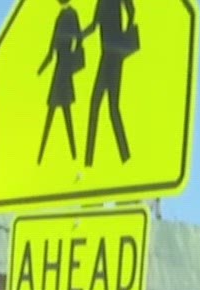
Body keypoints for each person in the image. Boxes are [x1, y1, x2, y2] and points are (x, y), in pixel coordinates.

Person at [82, 0, 136, 166]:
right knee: (97, 105)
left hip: (114, 56)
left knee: (111, 107)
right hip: (106, 56)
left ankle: (125, 157)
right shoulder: (101, 2)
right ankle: (89, 161)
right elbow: (94, 25)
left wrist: (126, 33)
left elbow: (131, 9)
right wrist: (78, 35)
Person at [36, 0, 87, 164]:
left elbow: (78, 38)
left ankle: (74, 155)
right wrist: (39, 70)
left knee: (65, 112)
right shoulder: (60, 16)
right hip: (59, 67)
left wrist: (72, 58)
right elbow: (51, 50)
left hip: (64, 67)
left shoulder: (71, 14)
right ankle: (41, 157)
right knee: (55, 111)